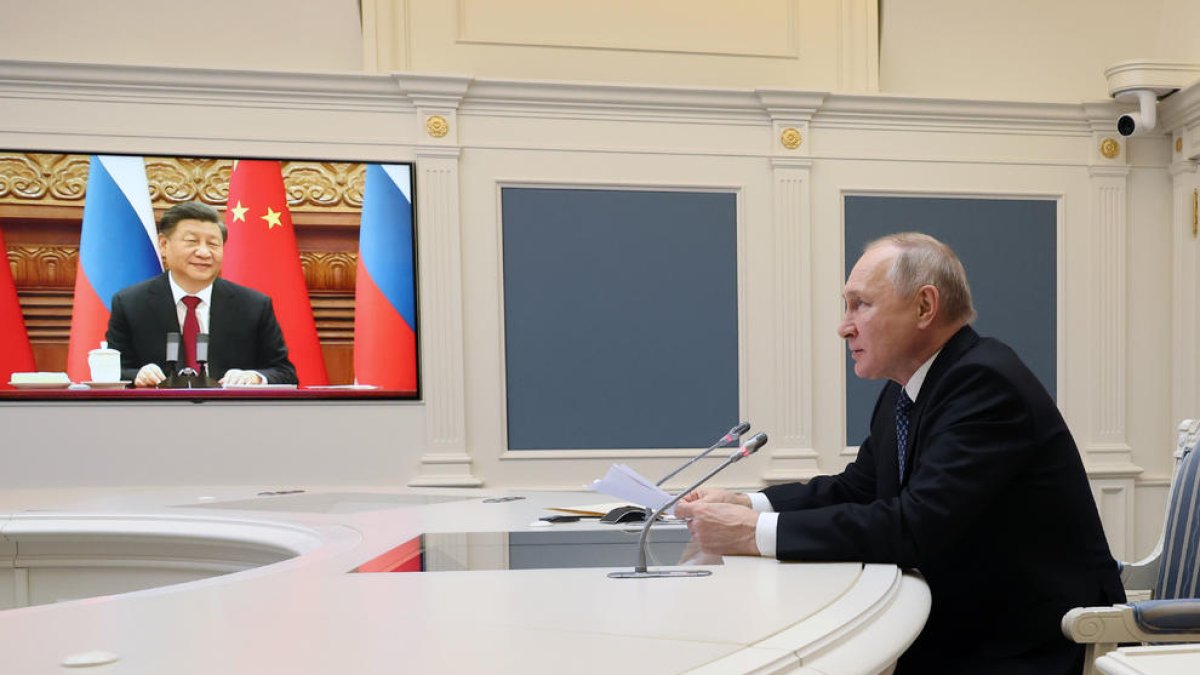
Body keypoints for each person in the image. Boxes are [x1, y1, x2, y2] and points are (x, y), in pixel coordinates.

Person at [675, 233, 1124, 673]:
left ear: (925, 307)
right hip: (962, 625)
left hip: (1029, 642)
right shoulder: (907, 389)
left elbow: (916, 527)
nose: (843, 325)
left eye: (860, 304)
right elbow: (860, 487)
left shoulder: (985, 383)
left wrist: (753, 533)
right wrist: (749, 505)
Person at [105, 201, 297, 387]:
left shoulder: (253, 305)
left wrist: (254, 377)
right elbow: (111, 371)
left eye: (213, 244)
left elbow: (285, 373)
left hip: (231, 414)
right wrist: (138, 375)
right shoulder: (130, 303)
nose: (204, 253)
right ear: (163, 245)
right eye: (192, 242)